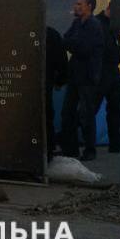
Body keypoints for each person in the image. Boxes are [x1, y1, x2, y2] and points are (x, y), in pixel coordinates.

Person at [60, 0, 105, 161]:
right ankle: (70, 149)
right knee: (68, 112)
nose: (76, 6)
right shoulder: (77, 23)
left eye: (79, 4)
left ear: (89, 6)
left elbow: (84, 48)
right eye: (76, 3)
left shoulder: (94, 26)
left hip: (87, 77)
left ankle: (90, 149)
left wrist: (73, 43)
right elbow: (67, 40)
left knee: (86, 114)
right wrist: (74, 43)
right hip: (74, 76)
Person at [96, 3, 120, 153]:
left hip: (112, 72)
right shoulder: (97, 24)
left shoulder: (113, 26)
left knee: (115, 110)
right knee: (89, 110)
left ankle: (115, 144)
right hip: (101, 73)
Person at [43, 26, 68, 160]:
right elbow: (62, 60)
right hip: (45, 82)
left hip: (22, 83)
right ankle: (48, 151)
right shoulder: (51, 33)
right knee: (46, 115)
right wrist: (60, 81)